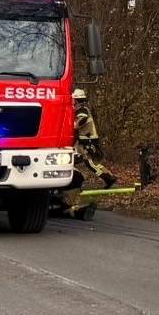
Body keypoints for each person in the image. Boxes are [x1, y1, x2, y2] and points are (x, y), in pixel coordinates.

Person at [61, 89, 116, 218]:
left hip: (88, 141)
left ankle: (108, 178)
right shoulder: (80, 109)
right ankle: (107, 177)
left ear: (76, 100)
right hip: (82, 141)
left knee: (90, 163)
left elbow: (78, 123)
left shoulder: (82, 111)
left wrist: (71, 124)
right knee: (85, 163)